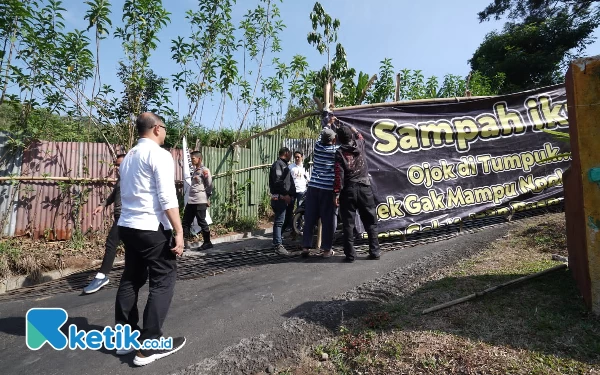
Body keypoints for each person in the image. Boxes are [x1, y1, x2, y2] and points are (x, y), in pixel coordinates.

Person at [115, 112, 186, 366]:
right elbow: (167, 198)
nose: (166, 132)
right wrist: (179, 231)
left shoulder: (130, 156)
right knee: (163, 280)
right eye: (165, 128)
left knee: (131, 279)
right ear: (156, 129)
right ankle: (149, 345)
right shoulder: (159, 154)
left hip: (128, 226)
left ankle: (125, 340)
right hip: (150, 228)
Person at [333, 125, 381, 262]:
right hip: (365, 188)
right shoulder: (359, 144)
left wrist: (336, 194)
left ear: (339, 139)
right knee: (370, 221)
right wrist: (353, 128)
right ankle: (375, 251)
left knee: (348, 224)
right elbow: (360, 135)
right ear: (351, 137)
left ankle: (350, 255)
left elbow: (338, 176)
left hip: (348, 190)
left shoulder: (339, 153)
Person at [83, 154, 127, 294]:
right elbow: (115, 194)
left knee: (111, 243)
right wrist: (103, 205)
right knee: (133, 245)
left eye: (120, 165)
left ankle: (102, 276)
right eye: (116, 165)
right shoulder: (121, 179)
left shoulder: (134, 177)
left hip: (127, 216)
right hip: (121, 215)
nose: (117, 168)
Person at [302, 127, 339, 258]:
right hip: (327, 189)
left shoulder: (317, 147)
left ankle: (306, 247)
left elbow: (321, 135)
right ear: (333, 139)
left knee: (310, 218)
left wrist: (327, 123)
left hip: (313, 187)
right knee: (328, 220)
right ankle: (326, 250)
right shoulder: (336, 150)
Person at [183, 151, 213, 251]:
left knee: (201, 222)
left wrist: (206, 198)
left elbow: (209, 185)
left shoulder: (205, 170)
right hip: (191, 200)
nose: (191, 161)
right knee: (186, 222)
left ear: (199, 159)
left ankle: (207, 242)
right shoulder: (195, 171)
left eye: (193, 159)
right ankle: (184, 243)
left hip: (200, 201)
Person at [269, 147, 294, 254]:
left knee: (286, 219)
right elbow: (278, 182)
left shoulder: (284, 165)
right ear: (286, 153)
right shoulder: (278, 165)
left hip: (286, 197)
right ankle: (277, 245)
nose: (291, 156)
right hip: (279, 197)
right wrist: (284, 195)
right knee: (279, 221)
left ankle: (278, 240)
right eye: (290, 154)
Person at [282, 151, 309, 237]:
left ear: (302, 157)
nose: (297, 158)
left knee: (301, 209)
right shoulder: (290, 167)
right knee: (290, 209)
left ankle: (299, 227)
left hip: (302, 191)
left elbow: (308, 179)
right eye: (295, 157)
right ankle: (290, 226)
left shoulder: (305, 167)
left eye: (298, 157)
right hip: (292, 191)